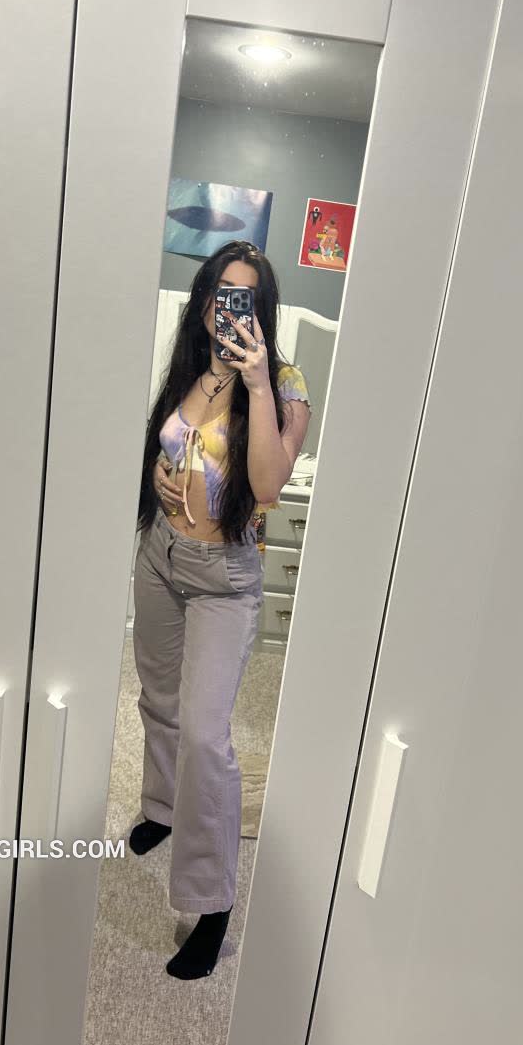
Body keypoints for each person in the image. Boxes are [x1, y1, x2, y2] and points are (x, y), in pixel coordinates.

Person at [130, 240, 312, 980]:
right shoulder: (189, 366)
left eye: (245, 297)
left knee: (206, 736)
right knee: (158, 699)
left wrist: (259, 381)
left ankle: (211, 904)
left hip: (223, 579)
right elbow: (168, 441)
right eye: (220, 292)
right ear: (205, 298)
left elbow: (267, 485)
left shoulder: (284, 383)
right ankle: (161, 806)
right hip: (160, 555)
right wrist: (159, 476)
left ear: (261, 310)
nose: (228, 307)